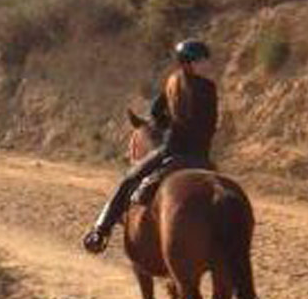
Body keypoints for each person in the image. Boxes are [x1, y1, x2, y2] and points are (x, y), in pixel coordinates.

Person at [82, 39, 218, 254]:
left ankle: (100, 231)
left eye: (205, 60)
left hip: (173, 151)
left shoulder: (173, 84)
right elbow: (208, 124)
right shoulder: (210, 88)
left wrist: (168, 126)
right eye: (201, 61)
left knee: (128, 180)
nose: (207, 64)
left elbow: (155, 113)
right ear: (187, 63)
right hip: (203, 157)